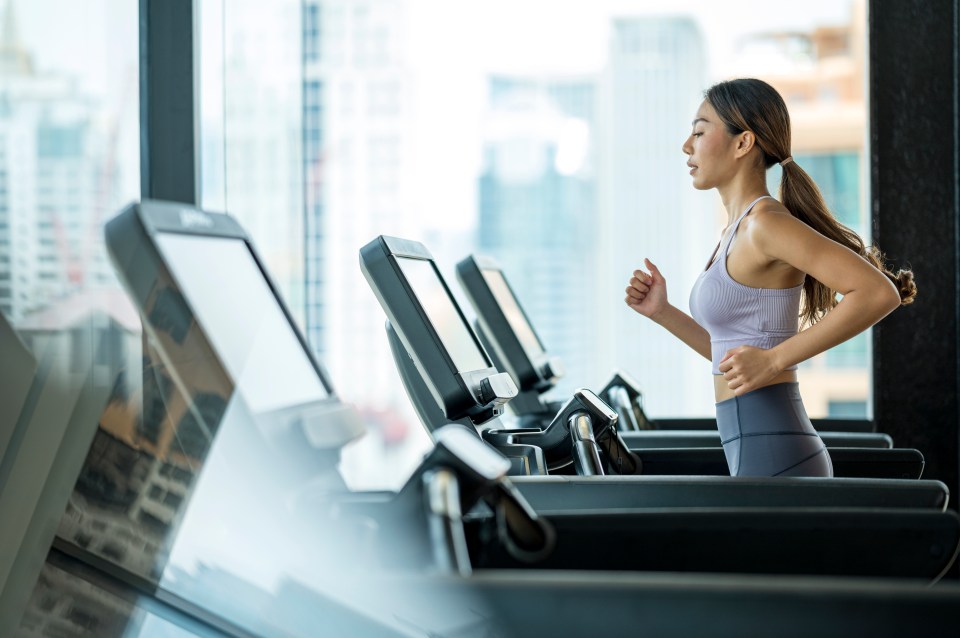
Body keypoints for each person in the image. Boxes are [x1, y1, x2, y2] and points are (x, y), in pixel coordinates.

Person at [624, 78, 916, 478]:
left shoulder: (765, 224)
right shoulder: (736, 231)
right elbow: (731, 357)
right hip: (757, 447)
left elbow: (878, 292)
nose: (686, 146)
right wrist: (662, 311)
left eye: (699, 131)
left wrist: (775, 359)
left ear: (743, 143)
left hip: (778, 454)